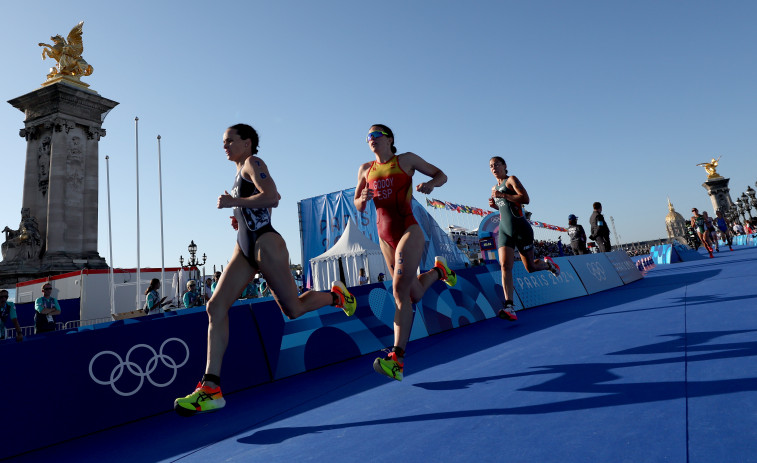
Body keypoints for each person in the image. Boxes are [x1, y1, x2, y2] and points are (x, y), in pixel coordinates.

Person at [174, 123, 356, 416]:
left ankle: (336, 296)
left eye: (230, 140)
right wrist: (239, 214)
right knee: (215, 307)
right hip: (244, 247)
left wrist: (235, 202)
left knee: (293, 309)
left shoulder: (252, 162)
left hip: (265, 244)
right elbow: (255, 206)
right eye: (223, 141)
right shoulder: (237, 173)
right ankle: (211, 388)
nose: (225, 145)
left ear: (247, 143)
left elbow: (272, 196)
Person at [354, 124, 456, 382]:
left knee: (399, 291)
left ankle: (397, 359)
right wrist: (362, 198)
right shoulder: (365, 169)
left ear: (389, 139)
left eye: (376, 135)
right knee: (413, 294)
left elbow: (441, 174)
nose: (371, 140)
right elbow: (357, 203)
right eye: (368, 137)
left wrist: (432, 184)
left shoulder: (406, 160)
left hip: (409, 230)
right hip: (384, 237)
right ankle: (439, 271)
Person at [487, 156, 561, 322]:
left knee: (530, 268)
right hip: (505, 231)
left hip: (522, 230)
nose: (494, 168)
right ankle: (509, 306)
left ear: (505, 166)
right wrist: (495, 203)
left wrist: (503, 196)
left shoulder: (511, 180)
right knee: (505, 266)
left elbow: (525, 199)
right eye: (491, 166)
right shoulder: (494, 187)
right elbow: (504, 207)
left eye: (497, 164)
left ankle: (548, 265)